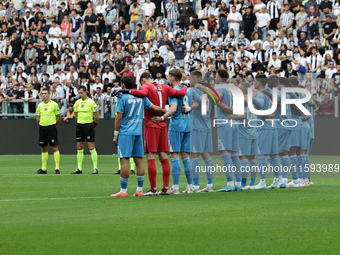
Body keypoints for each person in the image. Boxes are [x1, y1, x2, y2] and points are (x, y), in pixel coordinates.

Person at [117, 72, 187, 195]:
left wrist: (128, 91)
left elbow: (143, 94)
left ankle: (153, 189)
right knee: (163, 156)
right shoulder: (165, 87)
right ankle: (165, 188)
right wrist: (185, 85)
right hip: (162, 124)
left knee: (150, 156)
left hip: (151, 123)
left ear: (143, 80)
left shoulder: (146, 87)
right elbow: (181, 93)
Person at [111, 75, 165, 197]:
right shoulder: (141, 96)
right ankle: (139, 190)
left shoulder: (122, 97)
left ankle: (123, 191)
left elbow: (119, 117)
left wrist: (116, 134)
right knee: (139, 160)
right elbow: (155, 108)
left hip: (126, 132)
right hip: (138, 132)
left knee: (124, 159)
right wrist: (168, 112)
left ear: (123, 85)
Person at [72, 86, 99, 174]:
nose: (80, 95)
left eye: (81, 93)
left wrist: (92, 125)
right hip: (80, 126)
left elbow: (96, 116)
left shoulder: (92, 103)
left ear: (86, 92)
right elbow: (76, 116)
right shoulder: (77, 103)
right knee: (79, 147)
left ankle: (95, 168)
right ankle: (79, 168)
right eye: (79, 93)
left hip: (88, 126)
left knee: (91, 147)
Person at [35, 87, 61, 174]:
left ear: (49, 94)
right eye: (42, 94)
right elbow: (37, 117)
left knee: (54, 147)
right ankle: (44, 168)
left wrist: (54, 124)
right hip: (42, 128)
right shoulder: (40, 105)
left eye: (45, 93)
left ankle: (57, 168)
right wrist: (41, 122)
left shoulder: (54, 104)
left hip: (51, 128)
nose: (43, 95)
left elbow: (59, 116)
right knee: (43, 148)